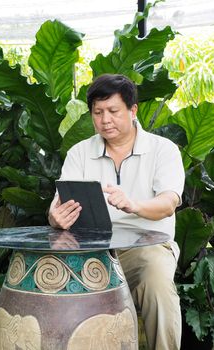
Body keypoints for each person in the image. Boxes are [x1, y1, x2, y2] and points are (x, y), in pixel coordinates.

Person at [48, 74, 185, 350]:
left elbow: (169, 202)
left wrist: (134, 205)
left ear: (133, 111)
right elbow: (57, 204)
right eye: (98, 113)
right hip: (90, 251)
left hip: (147, 247)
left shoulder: (163, 150)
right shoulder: (79, 153)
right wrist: (55, 218)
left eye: (113, 111)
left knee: (157, 281)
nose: (105, 120)